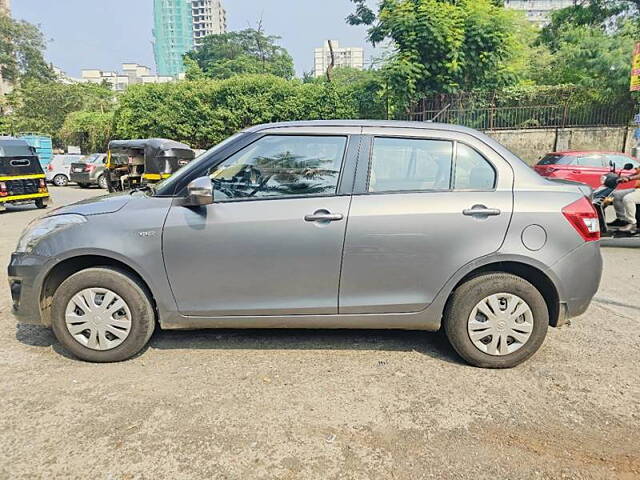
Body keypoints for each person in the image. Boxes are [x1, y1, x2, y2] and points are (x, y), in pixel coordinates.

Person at [610, 166, 640, 232]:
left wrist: (629, 178)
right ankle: (621, 219)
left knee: (628, 199)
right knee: (617, 195)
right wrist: (625, 177)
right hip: (637, 189)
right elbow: (637, 173)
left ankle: (632, 224)